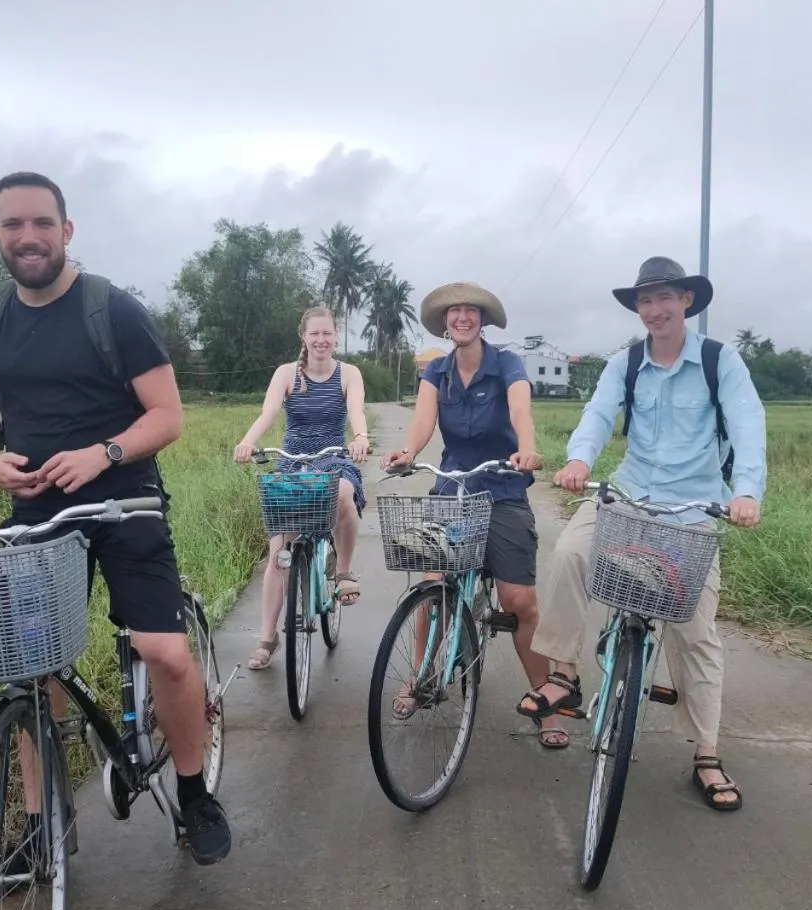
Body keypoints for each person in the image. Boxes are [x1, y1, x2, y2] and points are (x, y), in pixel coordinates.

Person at [0, 171, 231, 864]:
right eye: (13, 225)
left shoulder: (114, 312)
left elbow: (167, 417)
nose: (29, 236)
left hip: (125, 504)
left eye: (42, 223)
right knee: (35, 669)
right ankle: (47, 823)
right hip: (38, 518)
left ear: (67, 231)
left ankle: (194, 793)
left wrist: (102, 454)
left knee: (163, 650)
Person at [524, 256, 766, 809]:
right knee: (569, 553)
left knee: (696, 630)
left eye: (664, 298)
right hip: (629, 493)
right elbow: (598, 415)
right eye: (644, 301)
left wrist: (747, 491)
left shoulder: (719, 361)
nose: (654, 310)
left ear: (686, 301)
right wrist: (580, 461)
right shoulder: (625, 364)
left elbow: (749, 425)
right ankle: (563, 674)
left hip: (694, 507)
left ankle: (706, 753)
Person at [381, 282, 569, 747]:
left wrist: (527, 449)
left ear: (482, 320)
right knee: (431, 584)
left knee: (518, 602)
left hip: (503, 488)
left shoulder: (507, 363)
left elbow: (521, 410)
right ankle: (420, 677)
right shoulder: (437, 372)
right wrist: (408, 451)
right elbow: (423, 422)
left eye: (470, 311)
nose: (461, 317)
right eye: (453, 312)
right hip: (453, 489)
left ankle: (546, 702)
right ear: (445, 323)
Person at [233, 305, 370, 670]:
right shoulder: (286, 374)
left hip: (332, 454)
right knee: (279, 550)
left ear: (335, 337)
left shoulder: (349, 374)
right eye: (315, 334)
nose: (321, 340)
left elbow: (357, 410)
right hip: (293, 458)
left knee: (343, 492)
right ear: (304, 338)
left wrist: (360, 437)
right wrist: (247, 442)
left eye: (327, 333)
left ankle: (343, 571)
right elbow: (269, 413)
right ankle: (267, 638)